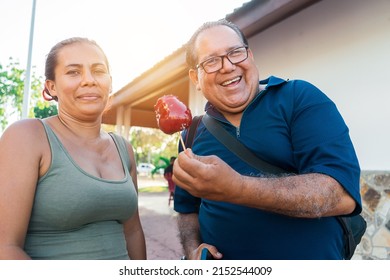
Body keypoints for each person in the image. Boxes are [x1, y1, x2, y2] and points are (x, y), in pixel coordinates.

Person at [172, 19, 361, 260]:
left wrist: (237, 188)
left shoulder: (298, 98)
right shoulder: (192, 131)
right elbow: (188, 210)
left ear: (250, 56)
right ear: (195, 79)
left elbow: (341, 195)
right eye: (211, 61)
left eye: (235, 53)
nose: (227, 66)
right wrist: (192, 250)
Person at [0, 37, 146, 260]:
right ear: (51, 87)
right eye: (73, 72)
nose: (89, 80)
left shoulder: (123, 148)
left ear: (110, 82)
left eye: (98, 70)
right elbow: (6, 247)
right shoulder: (27, 136)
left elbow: (133, 231)